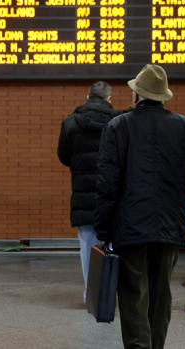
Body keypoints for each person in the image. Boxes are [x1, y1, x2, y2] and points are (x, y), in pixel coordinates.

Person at [94, 64, 185, 348]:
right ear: (163, 97)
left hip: (129, 225)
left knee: (133, 294)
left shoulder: (118, 126)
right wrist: (180, 193)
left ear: (136, 94)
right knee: (161, 294)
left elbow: (107, 183)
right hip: (169, 222)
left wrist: (102, 227)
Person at [57, 81, 121, 303]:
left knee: (87, 244)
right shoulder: (119, 122)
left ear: (87, 96)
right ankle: (111, 292)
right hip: (112, 192)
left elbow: (63, 157)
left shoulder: (70, 123)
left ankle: (90, 294)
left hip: (83, 192)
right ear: (109, 98)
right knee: (114, 243)